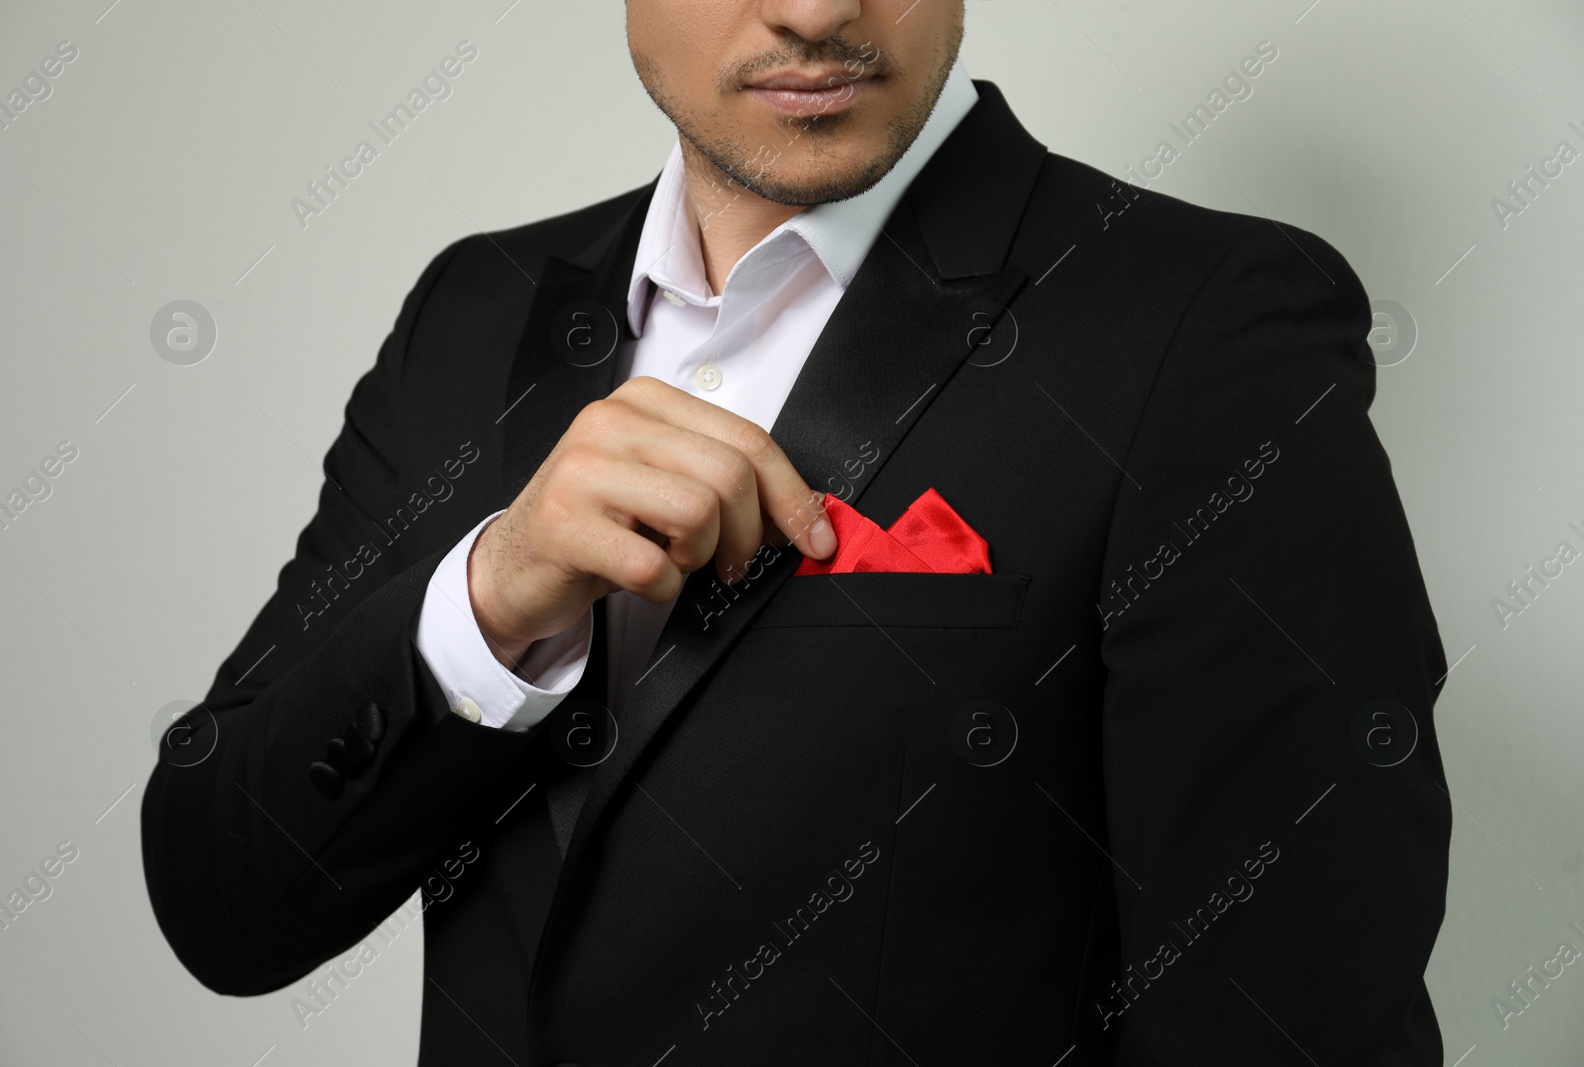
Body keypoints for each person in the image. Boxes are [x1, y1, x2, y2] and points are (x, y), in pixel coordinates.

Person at [141, 2, 1453, 1063]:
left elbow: (1294, 1006)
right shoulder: (472, 310)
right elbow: (225, 903)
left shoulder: (1203, 328)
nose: (817, 10)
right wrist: (486, 602)